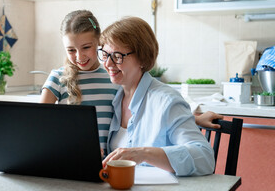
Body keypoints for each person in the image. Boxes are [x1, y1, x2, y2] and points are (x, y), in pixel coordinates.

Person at [98, 16, 215, 176]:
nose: (108, 64)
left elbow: (204, 158)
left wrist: (144, 154)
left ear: (142, 58)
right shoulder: (113, 98)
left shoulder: (167, 101)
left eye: (117, 56)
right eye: (105, 54)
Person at [40, 10, 119, 155]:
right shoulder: (57, 78)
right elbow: (39, 126)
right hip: (68, 159)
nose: (79, 56)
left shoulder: (113, 78)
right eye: (71, 50)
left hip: (106, 164)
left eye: (86, 47)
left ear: (99, 42)